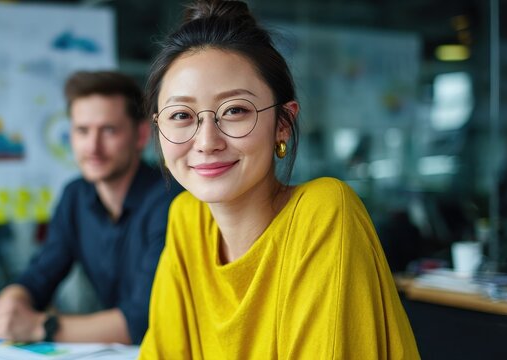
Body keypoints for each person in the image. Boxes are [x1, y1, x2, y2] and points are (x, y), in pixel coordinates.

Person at [139, 0, 420, 358]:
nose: (207, 141)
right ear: (158, 129)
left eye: (235, 111)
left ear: (283, 124)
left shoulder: (324, 213)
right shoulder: (187, 218)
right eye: (181, 115)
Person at [0, 71, 180, 345]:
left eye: (109, 130)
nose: (93, 147)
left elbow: (143, 320)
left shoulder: (170, 202)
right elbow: (41, 275)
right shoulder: (75, 195)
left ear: (141, 135)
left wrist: (41, 327)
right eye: (82, 131)